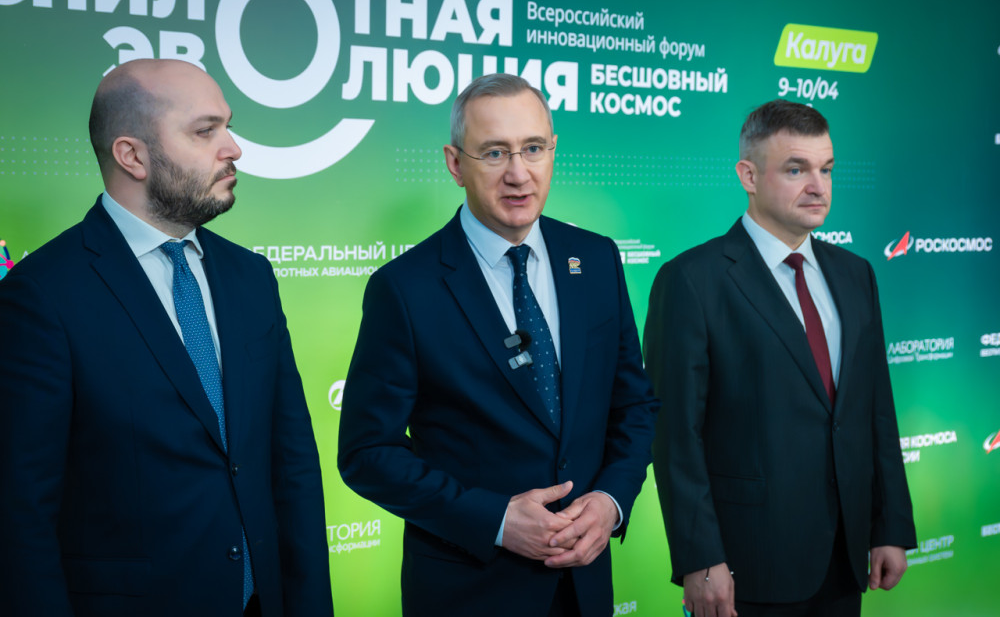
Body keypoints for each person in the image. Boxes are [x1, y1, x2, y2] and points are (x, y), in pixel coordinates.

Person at [0, 59, 333, 617]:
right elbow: (21, 514)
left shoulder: (251, 277)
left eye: (227, 126)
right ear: (132, 156)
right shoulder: (42, 295)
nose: (233, 148)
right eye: (205, 131)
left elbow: (292, 464)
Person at [338, 73, 659, 616]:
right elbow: (367, 453)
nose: (518, 173)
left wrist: (610, 502)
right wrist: (497, 520)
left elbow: (634, 406)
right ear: (455, 163)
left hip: (584, 587)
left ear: (552, 151)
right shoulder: (405, 288)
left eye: (533, 148)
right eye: (494, 152)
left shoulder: (596, 258)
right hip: (469, 591)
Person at [644, 99, 916, 617]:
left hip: (845, 558)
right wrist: (700, 558)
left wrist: (890, 526)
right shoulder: (691, 280)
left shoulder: (856, 273)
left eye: (826, 169)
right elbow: (676, 435)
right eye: (796, 169)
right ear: (748, 176)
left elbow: (876, 409)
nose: (818, 186)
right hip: (746, 565)